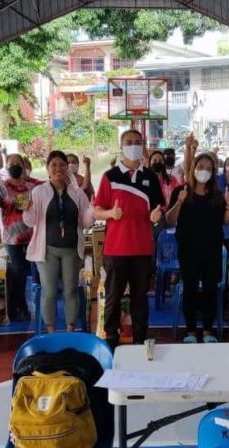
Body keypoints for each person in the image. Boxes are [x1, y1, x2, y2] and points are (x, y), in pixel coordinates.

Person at [93, 129, 164, 349]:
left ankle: (141, 340)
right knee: (113, 297)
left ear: (143, 146)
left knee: (140, 298)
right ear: (121, 146)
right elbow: (96, 210)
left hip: (142, 249)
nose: (133, 146)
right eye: (128, 142)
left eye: (137, 142)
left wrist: (156, 216)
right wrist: (110, 214)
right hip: (115, 250)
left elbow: (159, 208)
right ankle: (110, 340)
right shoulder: (110, 177)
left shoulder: (150, 177)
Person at [165, 152, 229, 343]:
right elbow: (169, 220)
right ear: (193, 168)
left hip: (212, 249)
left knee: (210, 289)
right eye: (201, 167)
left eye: (209, 169)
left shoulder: (217, 195)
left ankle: (208, 331)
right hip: (188, 249)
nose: (204, 171)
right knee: (190, 288)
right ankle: (190, 331)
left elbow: (226, 221)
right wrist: (180, 202)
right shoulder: (181, 191)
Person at [24, 151, 94, 332]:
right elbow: (30, 222)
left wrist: (93, 211)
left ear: (67, 168)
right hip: (47, 250)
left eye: (62, 165)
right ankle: (50, 330)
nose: (58, 168)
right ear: (47, 168)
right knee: (49, 291)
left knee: (71, 290)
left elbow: (86, 222)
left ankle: (70, 329)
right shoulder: (38, 192)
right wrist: (27, 209)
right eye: (53, 165)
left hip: (72, 250)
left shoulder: (77, 193)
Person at [0, 153, 38, 322]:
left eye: (18, 163)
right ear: (6, 167)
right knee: (17, 271)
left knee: (29, 272)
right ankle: (19, 307)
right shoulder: (1, 187)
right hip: (12, 237)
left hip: (32, 236)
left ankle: (23, 307)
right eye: (11, 163)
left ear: (24, 165)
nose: (14, 166)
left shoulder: (33, 186)